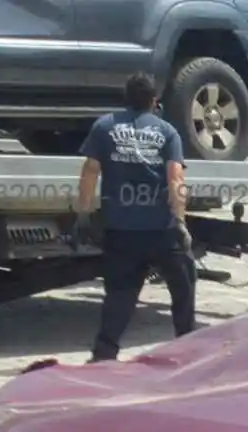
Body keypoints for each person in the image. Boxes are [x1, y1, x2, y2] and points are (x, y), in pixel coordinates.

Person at [77, 73, 197, 362]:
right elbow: (175, 177)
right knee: (183, 288)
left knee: (120, 296)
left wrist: (83, 214)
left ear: (125, 98)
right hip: (162, 230)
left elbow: (90, 171)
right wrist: (180, 221)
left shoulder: (104, 127)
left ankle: (104, 354)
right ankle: (189, 351)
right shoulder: (167, 132)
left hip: (121, 230)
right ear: (154, 101)